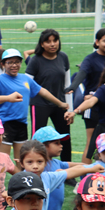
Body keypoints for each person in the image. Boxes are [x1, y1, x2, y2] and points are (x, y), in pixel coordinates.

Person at [0, 48, 68, 161]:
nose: (14, 65)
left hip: (22, 124)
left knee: (21, 161)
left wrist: (60, 103)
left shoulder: (25, 79)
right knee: (2, 160)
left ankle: (19, 179)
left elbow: (42, 91)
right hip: (5, 124)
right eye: (10, 62)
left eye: (17, 62)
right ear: (3, 64)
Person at [66, 28, 105, 163]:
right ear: (97, 42)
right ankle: (86, 175)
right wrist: (73, 87)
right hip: (92, 104)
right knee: (92, 142)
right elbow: (81, 74)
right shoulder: (90, 59)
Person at [26, 29, 73, 161]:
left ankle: (68, 174)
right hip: (40, 104)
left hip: (61, 105)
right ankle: (36, 171)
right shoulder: (35, 60)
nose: (52, 44)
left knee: (65, 138)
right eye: (48, 41)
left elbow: (67, 86)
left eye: (55, 40)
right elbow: (26, 84)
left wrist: (70, 110)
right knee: (37, 140)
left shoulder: (63, 57)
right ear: (42, 44)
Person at [32, 126, 78, 210]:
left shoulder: (57, 163)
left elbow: (75, 166)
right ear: (42, 146)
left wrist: (92, 166)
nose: (61, 145)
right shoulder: (36, 169)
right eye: (56, 143)